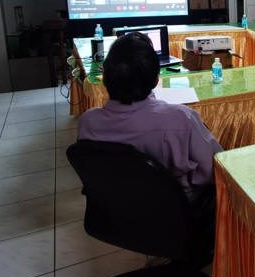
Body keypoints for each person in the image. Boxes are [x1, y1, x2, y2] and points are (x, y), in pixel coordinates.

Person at [77, 32, 223, 226]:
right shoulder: (181, 119)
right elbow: (216, 167)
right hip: (174, 215)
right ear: (156, 81)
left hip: (115, 215)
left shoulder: (87, 122)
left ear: (104, 79)